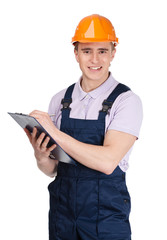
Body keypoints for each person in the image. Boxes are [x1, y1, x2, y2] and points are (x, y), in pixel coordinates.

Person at [25, 14, 143, 240]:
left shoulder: (126, 101)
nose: (94, 60)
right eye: (87, 51)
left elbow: (108, 162)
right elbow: (52, 170)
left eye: (103, 51)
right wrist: (40, 155)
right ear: (76, 53)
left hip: (106, 220)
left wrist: (56, 133)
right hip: (63, 216)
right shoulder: (60, 100)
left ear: (113, 53)